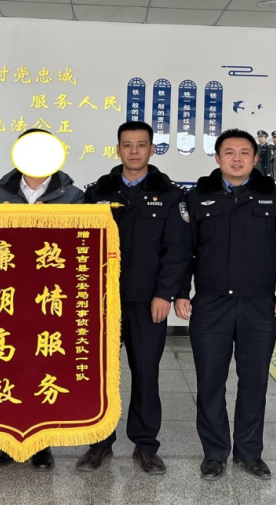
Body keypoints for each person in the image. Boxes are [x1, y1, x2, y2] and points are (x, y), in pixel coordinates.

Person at [174, 128, 276, 481]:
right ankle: (214, 453)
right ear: (217, 158)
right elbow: (183, 250)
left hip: (259, 304)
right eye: (229, 152)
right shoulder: (197, 197)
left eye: (244, 152)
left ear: (256, 158)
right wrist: (181, 292)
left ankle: (249, 452)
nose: (237, 158)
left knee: (255, 381)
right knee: (209, 382)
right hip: (210, 304)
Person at [76, 122, 191, 475]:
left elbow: (178, 251)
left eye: (141, 145)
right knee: (99, 373)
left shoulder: (170, 195)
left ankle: (145, 445)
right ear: (118, 150)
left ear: (152, 150)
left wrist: (164, 294)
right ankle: (99, 441)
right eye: (127, 145)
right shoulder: (97, 192)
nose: (134, 151)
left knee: (145, 372)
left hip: (146, 301)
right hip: (101, 301)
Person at [0, 128, 85, 470]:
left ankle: (42, 444)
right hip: (8, 294)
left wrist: (52, 221)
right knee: (7, 364)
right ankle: (5, 442)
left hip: (50, 294)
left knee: (45, 366)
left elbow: (81, 243)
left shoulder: (72, 194)